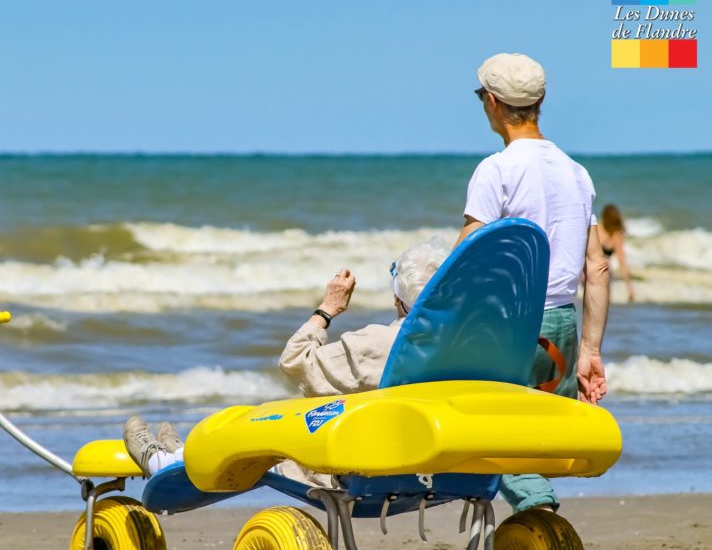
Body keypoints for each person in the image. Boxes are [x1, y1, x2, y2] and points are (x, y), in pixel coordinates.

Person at [123, 239, 450, 487]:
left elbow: (295, 360)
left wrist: (328, 308)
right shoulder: (470, 344)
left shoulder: (381, 344)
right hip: (442, 471)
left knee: (263, 420)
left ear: (397, 297)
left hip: (366, 473)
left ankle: (169, 464)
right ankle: (185, 456)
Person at [455, 52, 611, 512]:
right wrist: (591, 351)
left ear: (494, 102)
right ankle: (535, 546)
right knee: (533, 436)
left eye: (481, 96)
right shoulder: (576, 173)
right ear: (539, 101)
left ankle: (538, 510)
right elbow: (597, 266)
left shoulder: (497, 169)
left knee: (493, 434)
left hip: (510, 325)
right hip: (561, 324)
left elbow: (470, 248)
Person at [597, 204, 636, 303]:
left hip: (588, 269)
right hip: (603, 270)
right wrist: (630, 288)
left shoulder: (596, 228)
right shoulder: (616, 235)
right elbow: (622, 262)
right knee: (604, 303)